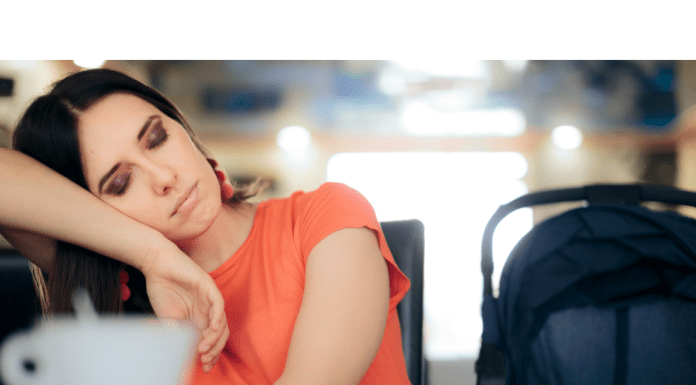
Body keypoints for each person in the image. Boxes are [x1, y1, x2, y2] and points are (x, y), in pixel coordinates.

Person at [0, 68, 411, 385]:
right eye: (121, 183)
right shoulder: (129, 317)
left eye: (157, 138)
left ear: (183, 128)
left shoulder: (327, 215)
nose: (163, 176)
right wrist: (150, 253)